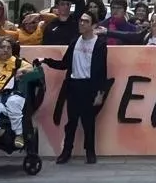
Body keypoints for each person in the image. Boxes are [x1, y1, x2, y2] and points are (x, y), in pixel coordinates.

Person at [40, 12, 109, 164]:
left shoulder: (99, 44)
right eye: (81, 21)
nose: (81, 24)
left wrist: (100, 93)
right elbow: (64, 64)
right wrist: (46, 61)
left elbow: (102, 71)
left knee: (88, 122)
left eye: (86, 21)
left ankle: (90, 152)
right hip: (74, 85)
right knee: (71, 121)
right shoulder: (74, 42)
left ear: (93, 25)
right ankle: (66, 151)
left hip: (89, 86)